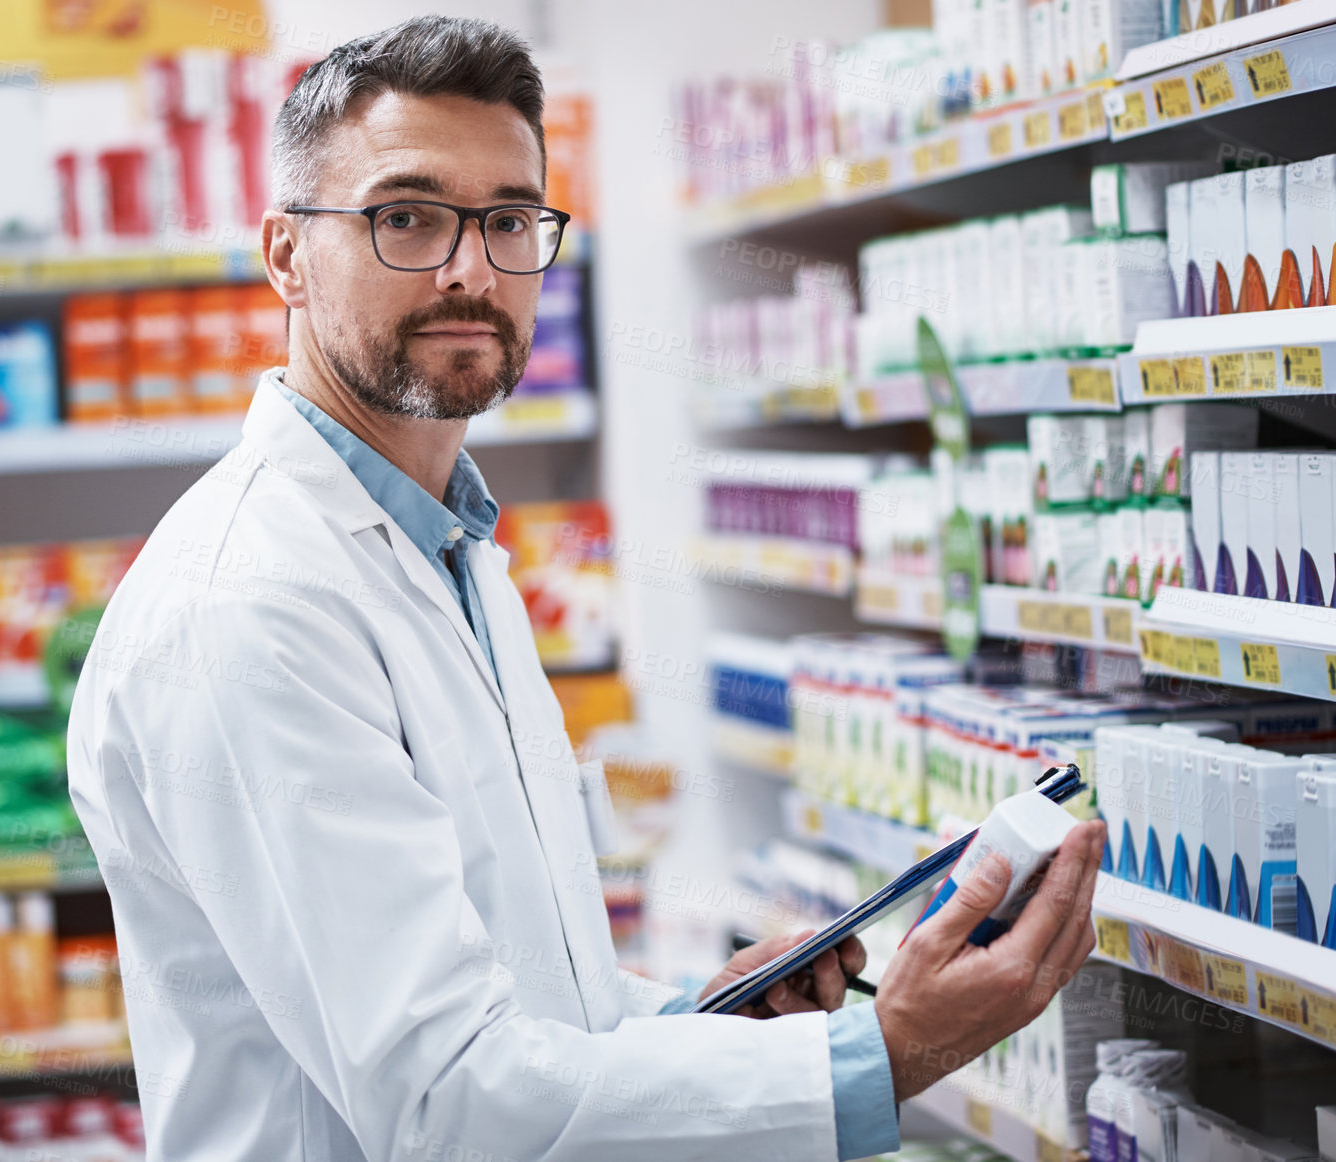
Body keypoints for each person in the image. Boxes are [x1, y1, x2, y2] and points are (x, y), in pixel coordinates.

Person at [66, 16, 1106, 1161]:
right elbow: (446, 1101)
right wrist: (884, 1052)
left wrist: (705, 1027)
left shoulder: (449, 548)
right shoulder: (252, 603)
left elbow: (521, 1002)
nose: (472, 268)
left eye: (509, 220)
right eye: (408, 217)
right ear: (286, 254)